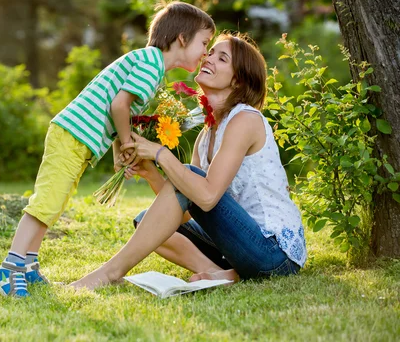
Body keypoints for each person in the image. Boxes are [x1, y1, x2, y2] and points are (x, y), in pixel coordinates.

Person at [0, 1, 216, 297]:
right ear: (182, 39)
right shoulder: (151, 64)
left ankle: (28, 266)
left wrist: (117, 150)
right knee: (47, 201)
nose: (205, 52)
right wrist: (125, 142)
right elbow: (118, 105)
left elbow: (115, 107)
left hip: (76, 138)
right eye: (204, 43)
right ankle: (9, 268)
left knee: (54, 202)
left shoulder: (150, 63)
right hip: (72, 135)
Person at [71, 32, 307, 290]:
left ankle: (110, 272)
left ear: (238, 80)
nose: (208, 57)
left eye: (222, 57)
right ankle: (219, 273)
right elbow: (182, 207)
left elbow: (205, 197)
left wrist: (160, 153)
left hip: (273, 254)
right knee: (147, 223)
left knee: (190, 176)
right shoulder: (206, 134)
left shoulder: (245, 120)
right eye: (210, 51)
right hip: (236, 246)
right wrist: (150, 171)